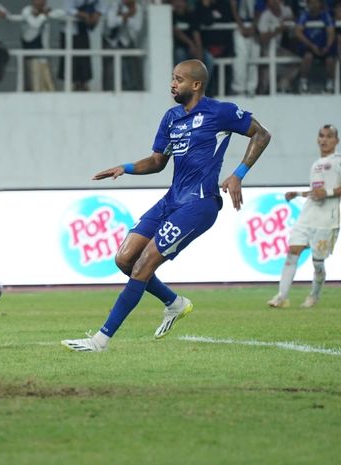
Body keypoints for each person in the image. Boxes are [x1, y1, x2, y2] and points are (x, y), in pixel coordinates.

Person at [61, 59, 271, 352]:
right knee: (124, 259)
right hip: (171, 199)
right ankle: (174, 303)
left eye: (179, 79)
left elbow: (262, 134)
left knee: (144, 264)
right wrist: (126, 167)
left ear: (196, 85)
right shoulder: (171, 117)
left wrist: (238, 174)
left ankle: (100, 340)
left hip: (200, 203)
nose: (172, 84)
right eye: (172, 78)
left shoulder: (220, 112)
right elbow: (158, 162)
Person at [267, 125, 341, 309]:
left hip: (326, 220)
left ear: (336, 141)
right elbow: (317, 192)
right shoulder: (316, 164)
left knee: (318, 262)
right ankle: (282, 297)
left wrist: (328, 192)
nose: (324, 140)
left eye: (329, 137)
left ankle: (314, 296)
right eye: (321, 136)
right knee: (292, 252)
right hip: (307, 215)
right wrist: (298, 193)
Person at [19, 0, 63, 92]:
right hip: (31, 54)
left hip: (44, 55)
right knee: (34, 86)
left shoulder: (45, 10)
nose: (41, 2)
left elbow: (61, 13)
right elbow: (35, 24)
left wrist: (45, 13)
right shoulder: (26, 10)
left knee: (49, 86)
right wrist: (42, 15)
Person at [59, 0, 103, 91]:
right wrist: (82, 14)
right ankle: (73, 85)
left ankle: (84, 84)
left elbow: (101, 6)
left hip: (83, 31)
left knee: (84, 59)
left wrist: (97, 14)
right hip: (70, 32)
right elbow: (67, 9)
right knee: (70, 61)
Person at [102, 0, 144, 92]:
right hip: (112, 42)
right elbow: (110, 23)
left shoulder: (138, 8)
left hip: (128, 42)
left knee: (131, 69)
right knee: (111, 70)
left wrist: (122, 18)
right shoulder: (115, 5)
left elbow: (137, 27)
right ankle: (110, 90)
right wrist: (128, 15)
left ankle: (133, 89)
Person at [295, 0, 336, 94]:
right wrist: (311, 45)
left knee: (330, 59)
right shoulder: (304, 15)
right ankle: (303, 84)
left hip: (323, 45)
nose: (314, 5)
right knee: (308, 57)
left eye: (316, 2)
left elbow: (331, 32)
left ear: (320, 3)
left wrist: (327, 46)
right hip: (309, 45)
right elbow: (298, 32)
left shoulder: (325, 15)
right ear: (308, 4)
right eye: (311, 3)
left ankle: (329, 85)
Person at [257, 0, 297, 94]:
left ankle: (282, 86)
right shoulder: (265, 16)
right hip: (265, 50)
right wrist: (278, 30)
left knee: (295, 62)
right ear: (267, 3)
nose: (274, 2)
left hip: (279, 48)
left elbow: (295, 22)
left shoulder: (286, 10)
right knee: (264, 83)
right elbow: (262, 38)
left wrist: (292, 20)